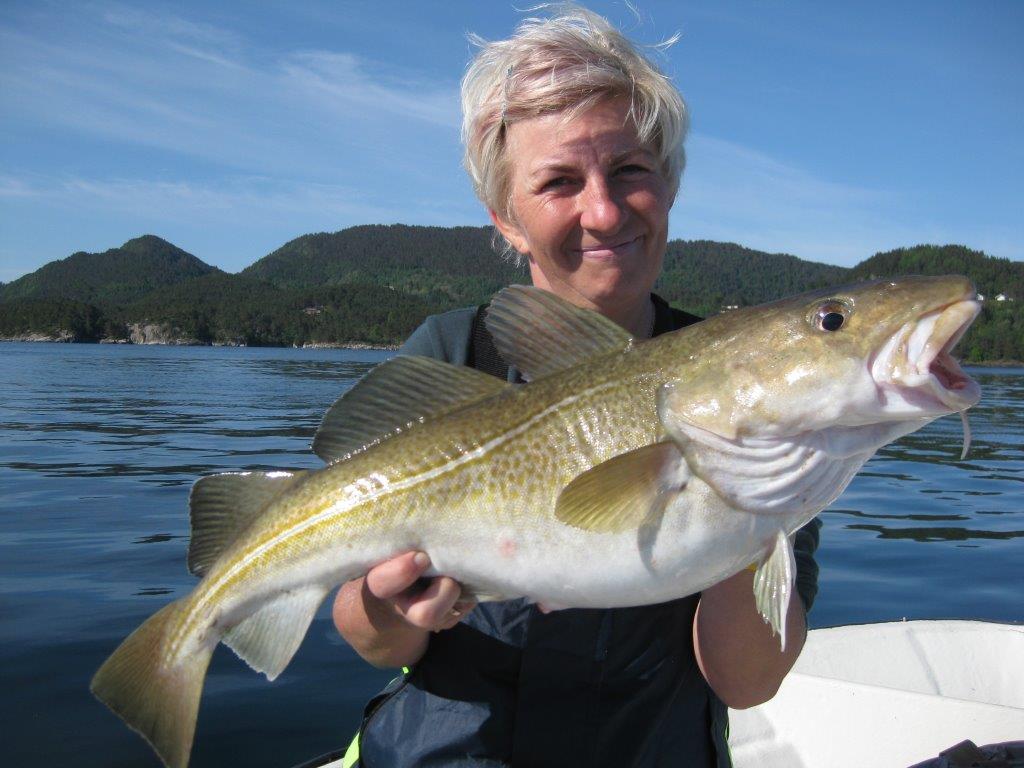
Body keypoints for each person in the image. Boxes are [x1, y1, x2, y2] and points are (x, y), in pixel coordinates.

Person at [333, 6, 820, 767]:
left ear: (670, 181)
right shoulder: (450, 355)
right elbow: (371, 637)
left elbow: (747, 681)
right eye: (559, 181)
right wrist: (389, 604)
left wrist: (751, 502)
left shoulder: (752, 374)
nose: (602, 210)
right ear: (507, 220)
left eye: (630, 169)